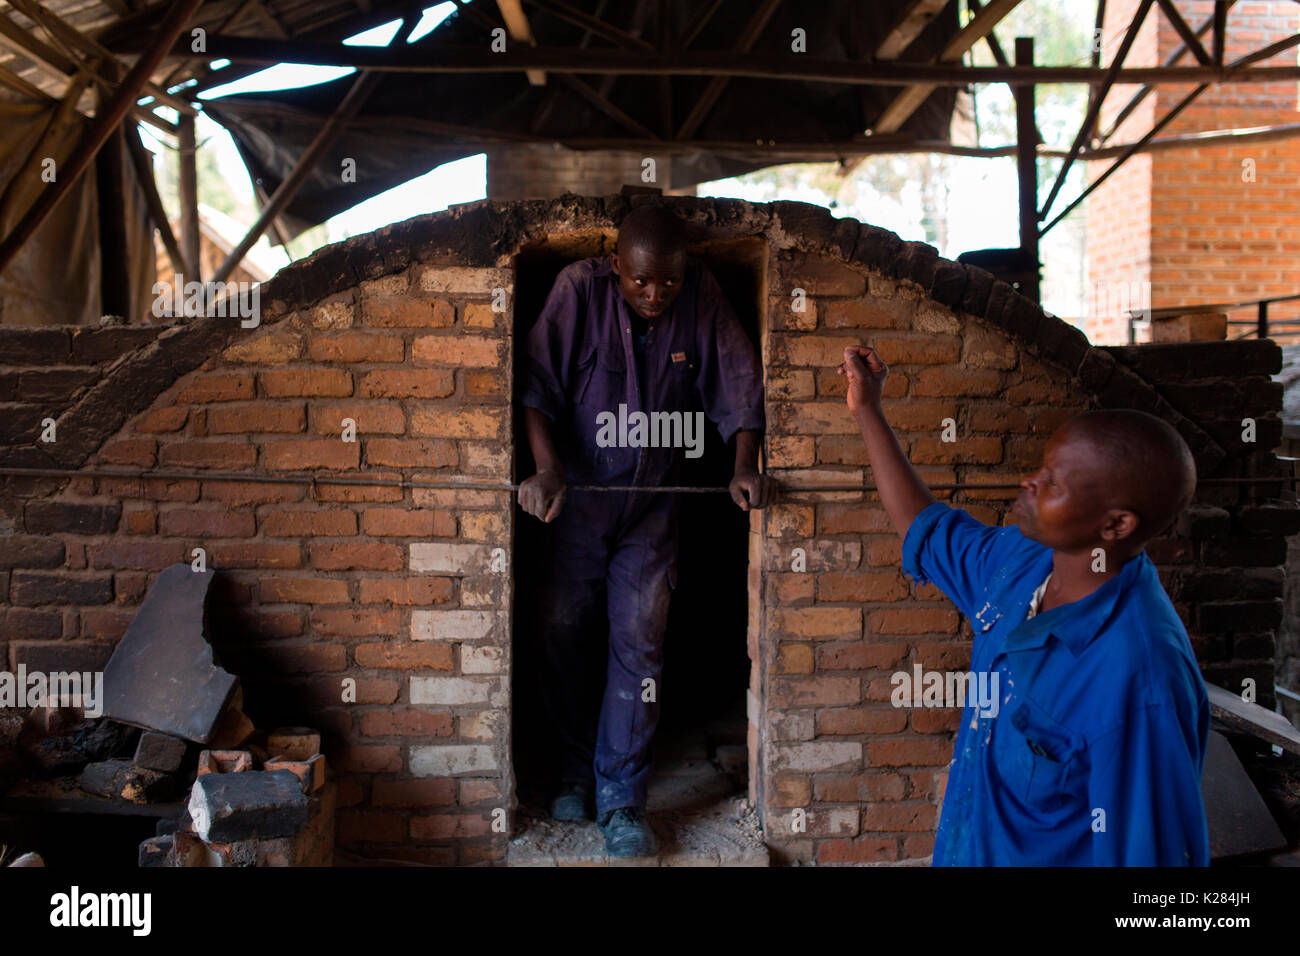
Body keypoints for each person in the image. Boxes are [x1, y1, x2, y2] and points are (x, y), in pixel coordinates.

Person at [840, 344, 1210, 866]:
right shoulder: (1027, 563)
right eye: (1041, 470)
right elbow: (927, 530)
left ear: (1116, 525)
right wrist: (869, 410)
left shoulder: (1137, 678)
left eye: (1052, 482)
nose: (1028, 483)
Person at [518, 205, 777, 857]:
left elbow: (741, 386)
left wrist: (745, 467)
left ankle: (621, 796)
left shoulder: (700, 298)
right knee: (563, 628)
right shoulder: (578, 291)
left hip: (655, 502)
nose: (656, 294)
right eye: (640, 282)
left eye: (667, 281)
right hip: (578, 500)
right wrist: (545, 470)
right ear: (615, 268)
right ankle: (575, 769)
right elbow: (537, 390)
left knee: (641, 640)